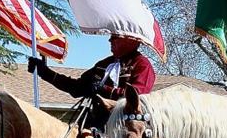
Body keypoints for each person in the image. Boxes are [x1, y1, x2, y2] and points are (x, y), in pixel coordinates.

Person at [27, 33, 156, 125]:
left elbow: (136, 97)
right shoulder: (103, 64)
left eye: (115, 37)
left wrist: (103, 89)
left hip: (124, 127)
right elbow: (76, 88)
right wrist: (45, 72)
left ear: (130, 40)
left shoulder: (142, 65)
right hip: (94, 124)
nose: (110, 40)